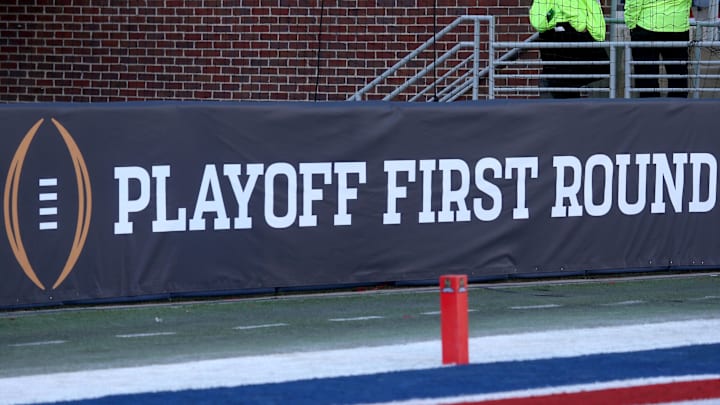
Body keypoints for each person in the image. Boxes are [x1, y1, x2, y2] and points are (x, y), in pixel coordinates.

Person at [529, 0, 610, 98]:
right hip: (564, 39)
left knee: (565, 86)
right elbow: (539, 23)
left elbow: (540, 22)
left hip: (571, 39)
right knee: (563, 86)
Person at [625, 0, 692, 97]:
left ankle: (650, 110)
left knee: (646, 78)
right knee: (678, 77)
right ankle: (678, 109)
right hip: (678, 26)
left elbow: (634, 3)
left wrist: (631, 23)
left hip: (647, 25)